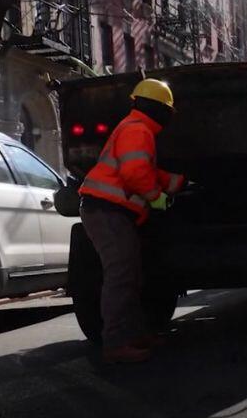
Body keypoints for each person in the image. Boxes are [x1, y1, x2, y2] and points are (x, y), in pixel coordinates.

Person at [79, 78, 186, 364]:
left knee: (131, 274)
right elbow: (135, 173)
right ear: (160, 109)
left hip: (109, 211)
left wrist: (176, 182)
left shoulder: (135, 127)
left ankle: (135, 334)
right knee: (121, 275)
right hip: (107, 211)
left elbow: (145, 170)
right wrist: (157, 198)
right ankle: (115, 343)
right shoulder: (139, 130)